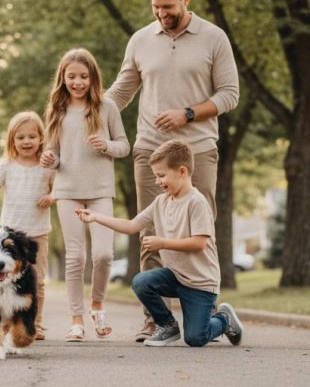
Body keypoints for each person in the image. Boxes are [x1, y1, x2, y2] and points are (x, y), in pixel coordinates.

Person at [105, 0, 239, 341]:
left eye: (168, 7)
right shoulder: (141, 40)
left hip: (197, 148)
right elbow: (121, 92)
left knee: (201, 226)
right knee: (150, 227)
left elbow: (230, 94)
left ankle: (206, 308)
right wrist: (87, 113)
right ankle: (156, 318)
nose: (162, 14)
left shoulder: (214, 38)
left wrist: (188, 113)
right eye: (155, 8)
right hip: (149, 147)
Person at [75, 139, 243, 347]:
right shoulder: (161, 201)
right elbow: (131, 225)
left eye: (161, 175)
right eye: (156, 176)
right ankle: (167, 325)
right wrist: (96, 217)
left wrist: (162, 243)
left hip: (200, 283)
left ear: (182, 171)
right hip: (175, 276)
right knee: (141, 281)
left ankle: (223, 319)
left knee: (195, 338)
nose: (157, 181)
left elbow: (199, 243)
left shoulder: (197, 203)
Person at [39, 48, 129, 341]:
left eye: (83, 76)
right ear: (62, 78)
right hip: (68, 191)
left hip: (101, 190)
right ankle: (76, 319)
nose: (77, 82)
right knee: (76, 257)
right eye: (71, 76)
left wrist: (106, 145)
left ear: (93, 78)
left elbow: (124, 146)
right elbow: (53, 153)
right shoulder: (57, 111)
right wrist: (50, 160)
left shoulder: (107, 107)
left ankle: (97, 305)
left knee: (103, 255)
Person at [0, 111, 55, 340]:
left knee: (37, 281)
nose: (26, 142)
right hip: (10, 236)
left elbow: (60, 189)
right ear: (12, 140)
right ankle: (5, 321)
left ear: (41, 138)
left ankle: (34, 323)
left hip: (38, 233)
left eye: (32, 137)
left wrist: (52, 197)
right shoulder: (6, 165)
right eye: (21, 137)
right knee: (5, 280)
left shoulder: (47, 165)